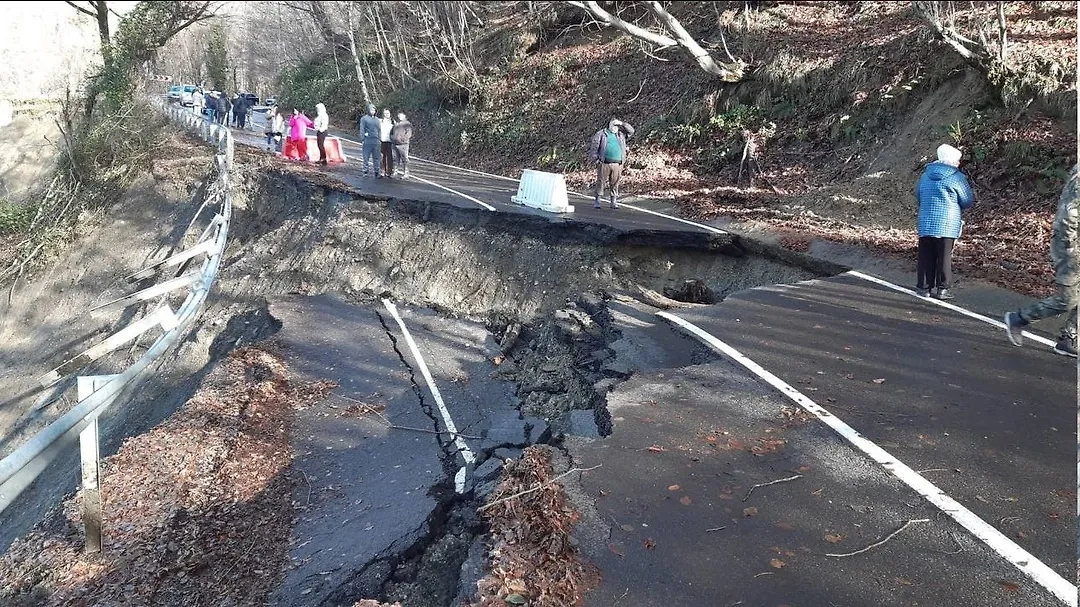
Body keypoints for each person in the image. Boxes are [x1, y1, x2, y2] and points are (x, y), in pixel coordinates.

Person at [1004, 164, 1078, 358]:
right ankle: (1018, 318)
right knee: (1068, 299)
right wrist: (1070, 245)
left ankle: (1069, 339)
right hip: (1069, 242)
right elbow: (1069, 213)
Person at [914, 144, 975, 300]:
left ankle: (924, 287)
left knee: (926, 254)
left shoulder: (925, 175)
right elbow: (967, 200)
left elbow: (918, 194)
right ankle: (943, 289)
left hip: (926, 220)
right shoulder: (957, 177)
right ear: (953, 161)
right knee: (944, 256)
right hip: (948, 222)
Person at [589, 118, 635, 209]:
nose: (615, 127)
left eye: (617, 126)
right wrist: (596, 159)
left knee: (615, 182)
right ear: (609, 125)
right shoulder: (601, 134)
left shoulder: (621, 135)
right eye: (614, 125)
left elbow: (631, 131)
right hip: (604, 162)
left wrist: (622, 123)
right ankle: (598, 200)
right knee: (601, 182)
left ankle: (613, 201)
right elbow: (594, 146)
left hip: (617, 164)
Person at [357, 104, 381, 177]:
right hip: (367, 140)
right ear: (368, 110)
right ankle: (365, 171)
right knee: (366, 157)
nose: (373, 111)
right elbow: (362, 129)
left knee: (376, 157)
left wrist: (379, 139)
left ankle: (377, 171)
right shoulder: (364, 119)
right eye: (371, 110)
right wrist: (362, 138)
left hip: (376, 140)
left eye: (374, 110)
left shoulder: (377, 119)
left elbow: (379, 130)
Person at [390, 112, 413, 179]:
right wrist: (392, 138)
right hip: (394, 144)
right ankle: (395, 172)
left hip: (403, 145)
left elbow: (409, 134)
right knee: (395, 159)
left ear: (405, 115)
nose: (400, 116)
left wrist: (402, 140)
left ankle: (406, 173)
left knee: (404, 159)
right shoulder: (396, 124)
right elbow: (391, 133)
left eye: (401, 115)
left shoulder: (407, 124)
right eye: (399, 115)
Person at [379, 108, 394, 178]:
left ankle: (389, 172)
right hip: (382, 140)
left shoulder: (393, 122)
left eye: (387, 113)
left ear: (390, 113)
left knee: (390, 157)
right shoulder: (380, 121)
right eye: (385, 113)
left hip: (390, 141)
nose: (386, 115)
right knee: (382, 156)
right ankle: (382, 171)